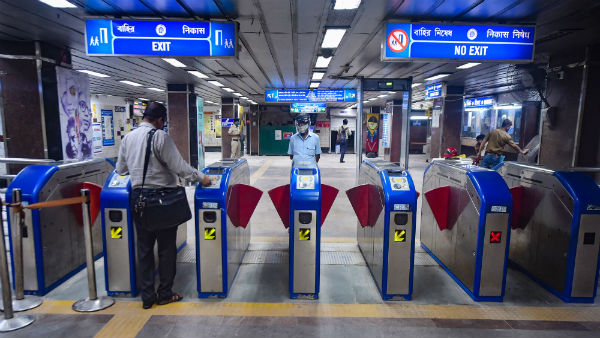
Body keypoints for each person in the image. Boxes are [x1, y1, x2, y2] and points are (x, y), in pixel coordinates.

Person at [116, 102, 211, 309]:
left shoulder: (128, 138)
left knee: (144, 248)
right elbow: (179, 167)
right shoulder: (160, 137)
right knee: (167, 249)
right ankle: (165, 293)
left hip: (138, 199)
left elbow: (121, 169)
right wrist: (202, 177)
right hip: (162, 200)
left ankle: (147, 297)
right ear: (160, 120)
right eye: (163, 122)